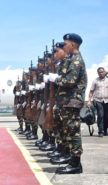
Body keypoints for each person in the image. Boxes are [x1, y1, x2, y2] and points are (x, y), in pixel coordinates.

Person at [49, 33, 87, 174]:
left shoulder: (76, 60)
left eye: (65, 44)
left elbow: (69, 81)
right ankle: (72, 161)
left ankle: (76, 164)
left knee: (73, 132)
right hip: (67, 102)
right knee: (69, 132)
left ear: (72, 44)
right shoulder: (72, 60)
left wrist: (56, 79)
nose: (64, 46)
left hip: (72, 102)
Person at [87, 67, 108, 137]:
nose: (101, 73)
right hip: (98, 100)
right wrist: (89, 101)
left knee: (106, 117)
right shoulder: (95, 80)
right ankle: (100, 131)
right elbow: (91, 91)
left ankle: (105, 131)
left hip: (107, 100)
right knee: (100, 115)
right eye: (99, 72)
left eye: (102, 72)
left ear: (104, 72)